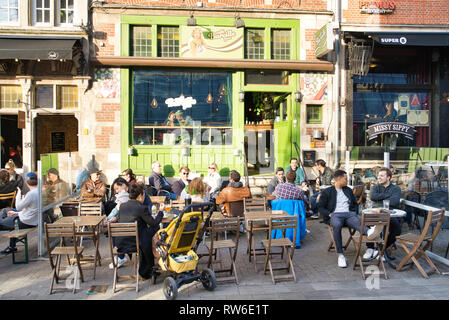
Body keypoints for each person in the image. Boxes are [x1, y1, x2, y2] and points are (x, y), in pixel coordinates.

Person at [317, 170, 383, 268]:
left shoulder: (348, 190)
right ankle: (340, 255)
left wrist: (354, 212)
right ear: (338, 179)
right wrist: (329, 214)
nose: (347, 180)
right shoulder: (327, 192)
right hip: (335, 215)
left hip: (348, 214)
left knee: (356, 221)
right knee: (337, 225)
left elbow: (355, 204)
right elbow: (320, 207)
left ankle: (369, 232)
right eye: (345, 178)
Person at [111, 184, 164, 279]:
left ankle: (149, 265)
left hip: (121, 243)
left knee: (146, 232)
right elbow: (154, 223)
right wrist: (161, 211)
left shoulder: (122, 206)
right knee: (154, 230)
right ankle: (150, 264)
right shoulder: (141, 208)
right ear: (140, 196)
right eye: (143, 195)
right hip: (136, 243)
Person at [363, 167, 403, 261]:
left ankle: (381, 249)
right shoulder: (375, 187)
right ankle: (370, 248)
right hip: (375, 214)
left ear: (388, 177)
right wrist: (388, 196)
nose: (379, 177)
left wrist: (380, 198)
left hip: (390, 215)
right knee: (367, 223)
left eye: (382, 176)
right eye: (378, 175)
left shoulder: (396, 188)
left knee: (397, 230)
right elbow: (373, 196)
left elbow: (394, 201)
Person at [0, 172, 39, 255]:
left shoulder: (31, 194)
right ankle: (12, 246)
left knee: (3, 221)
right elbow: (29, 209)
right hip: (28, 218)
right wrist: (17, 213)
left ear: (26, 182)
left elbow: (18, 207)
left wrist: (18, 194)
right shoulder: (39, 192)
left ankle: (11, 247)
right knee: (5, 211)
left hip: (25, 221)